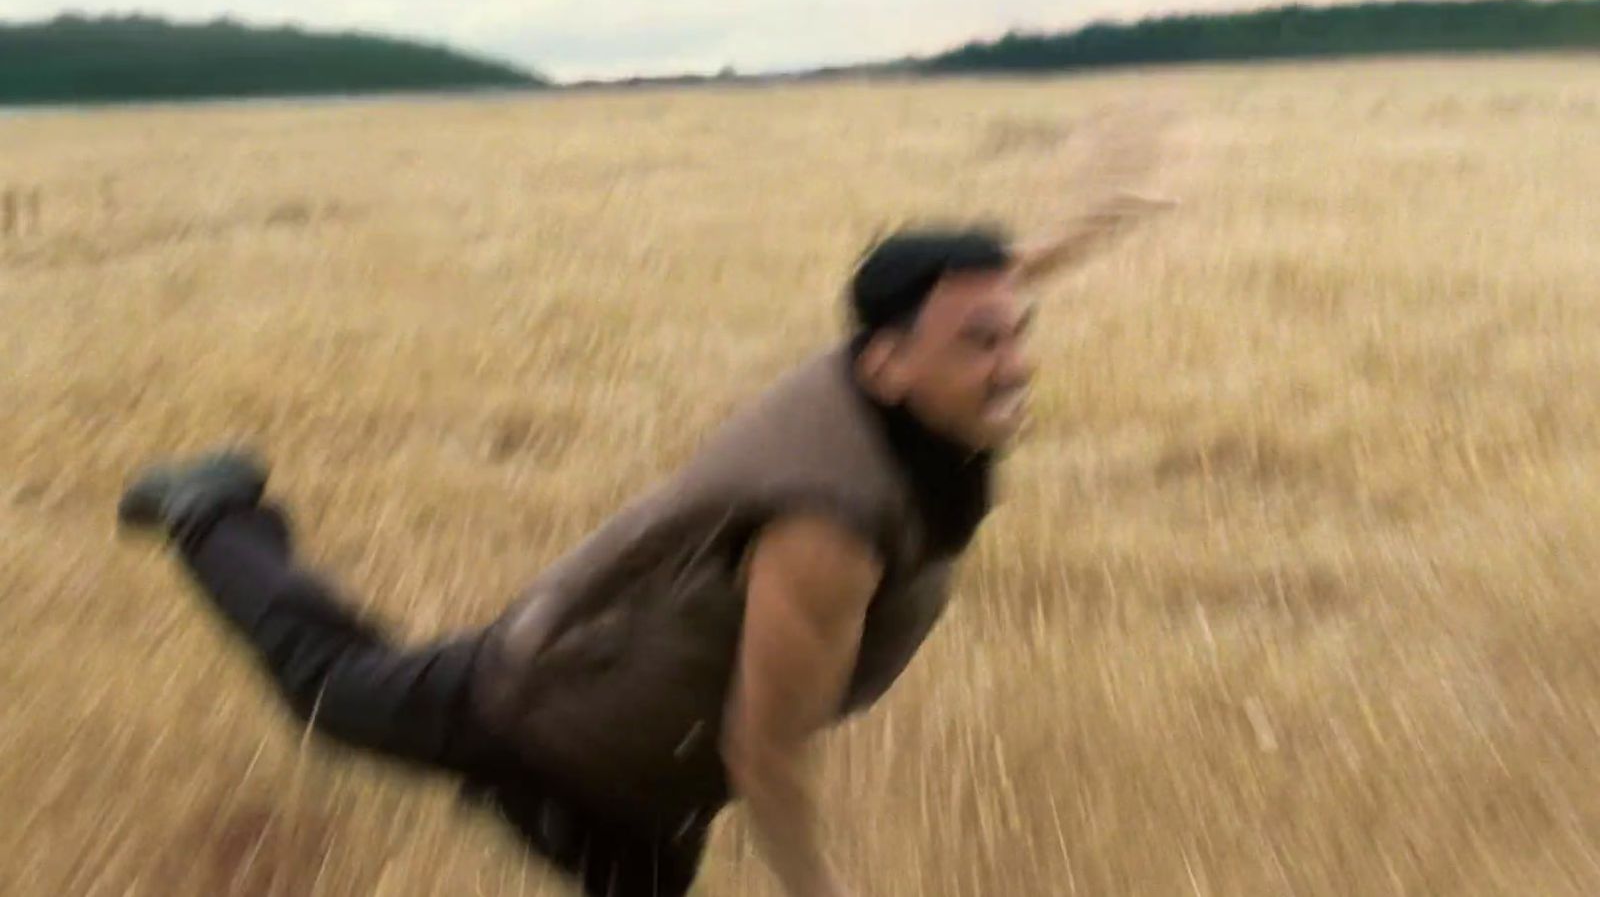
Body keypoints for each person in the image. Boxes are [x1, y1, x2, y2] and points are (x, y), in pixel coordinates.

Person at [117, 193, 1173, 897]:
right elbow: (766, 753)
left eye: (1015, 329)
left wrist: (1077, 236)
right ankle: (210, 508)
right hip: (552, 718)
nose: (1013, 362)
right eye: (982, 343)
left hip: (640, 768)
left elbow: (962, 302)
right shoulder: (831, 525)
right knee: (328, 683)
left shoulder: (874, 367)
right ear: (890, 366)